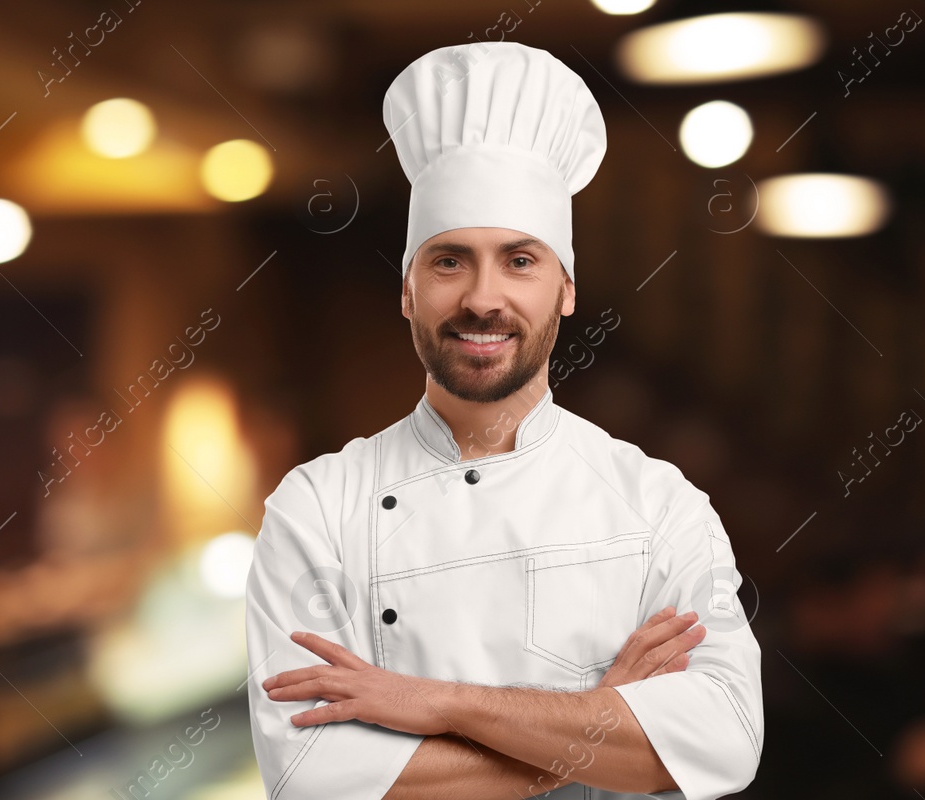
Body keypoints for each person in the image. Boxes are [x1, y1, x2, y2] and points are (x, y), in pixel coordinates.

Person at [244, 42, 762, 799]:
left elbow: (723, 743)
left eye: (520, 261)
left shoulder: (656, 503)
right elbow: (310, 777)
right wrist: (595, 723)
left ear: (566, 289)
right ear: (407, 292)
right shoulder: (317, 507)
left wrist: (437, 704)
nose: (484, 299)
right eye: (449, 261)